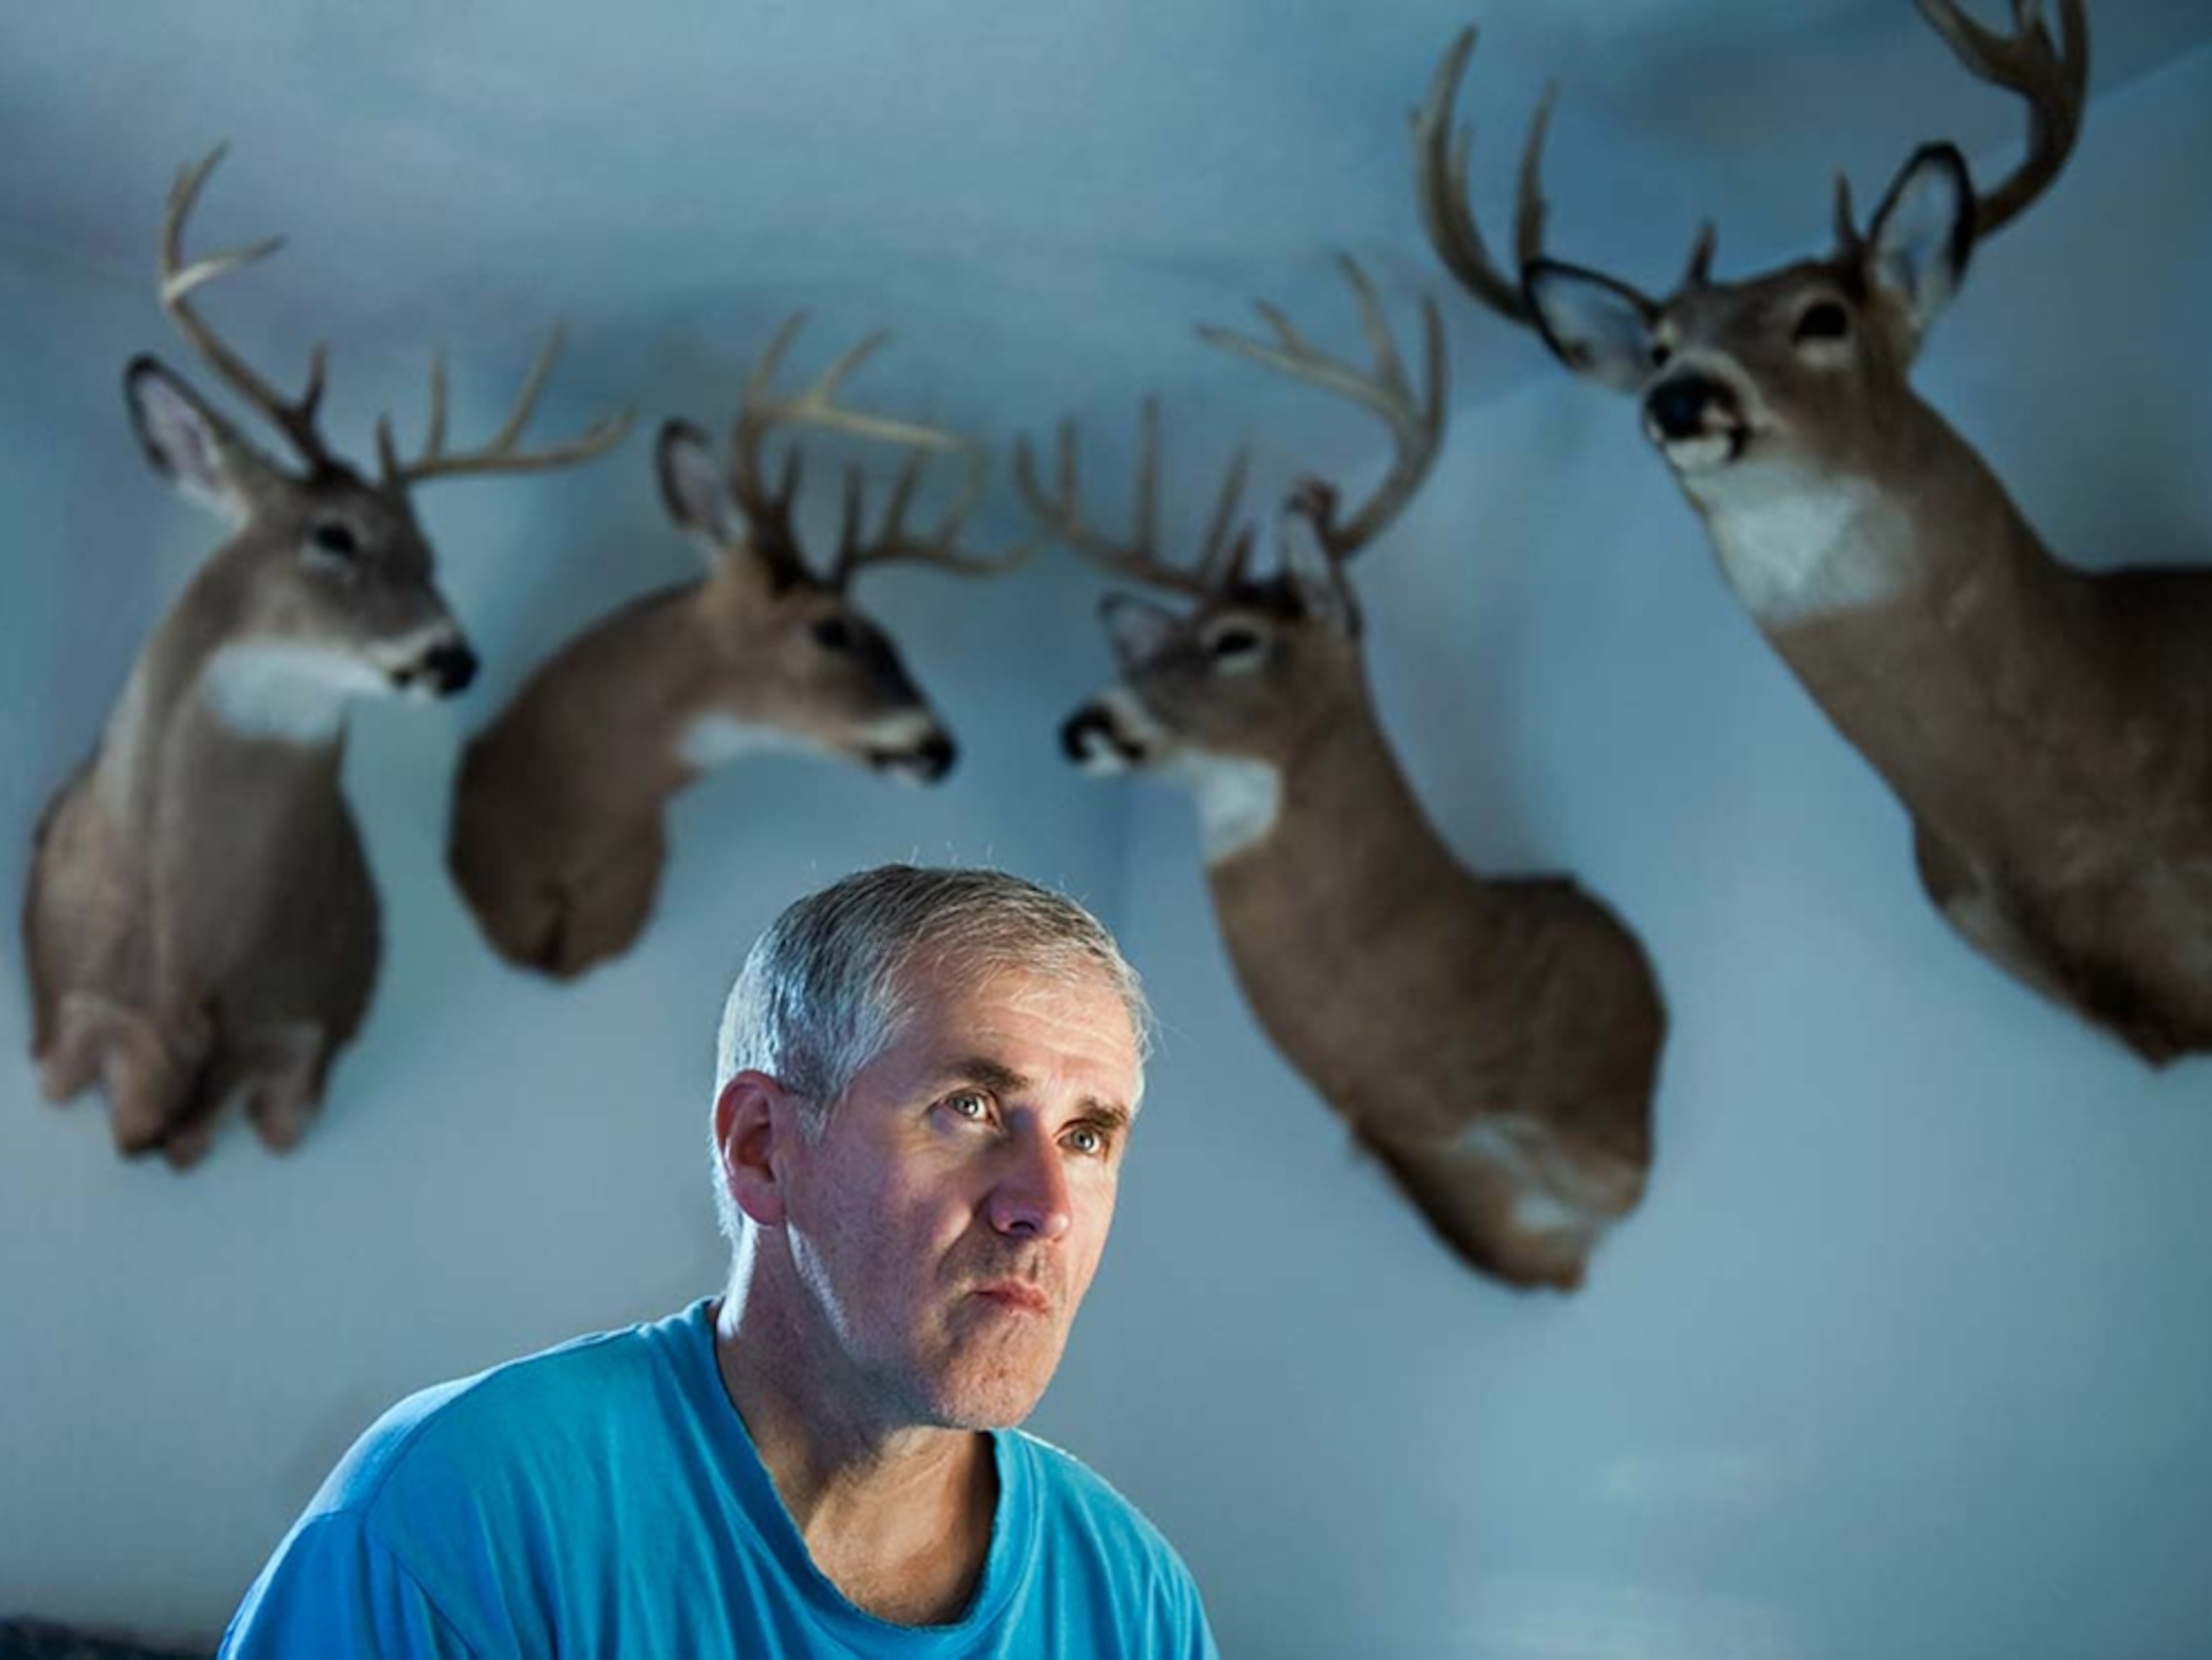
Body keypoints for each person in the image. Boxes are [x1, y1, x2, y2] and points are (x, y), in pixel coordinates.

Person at [220, 864, 1216, 1656]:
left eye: (1088, 1137)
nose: (1041, 1206)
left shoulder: (1132, 1601)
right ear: (761, 1147)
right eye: (969, 1109)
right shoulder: (461, 1513)